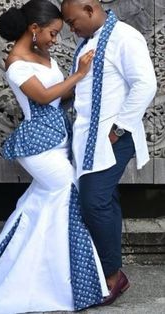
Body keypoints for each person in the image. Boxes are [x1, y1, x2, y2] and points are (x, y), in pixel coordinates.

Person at [0, 1, 109, 313]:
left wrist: (88, 86)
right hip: (37, 147)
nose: (56, 40)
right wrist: (80, 74)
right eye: (53, 33)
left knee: (40, 208)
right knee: (69, 194)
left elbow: (60, 94)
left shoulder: (43, 54)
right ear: (34, 29)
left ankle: (32, 273)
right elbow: (43, 96)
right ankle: (57, 282)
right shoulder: (16, 62)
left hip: (57, 139)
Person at [61, 0, 157, 306]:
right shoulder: (90, 41)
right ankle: (107, 270)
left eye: (73, 20)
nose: (70, 28)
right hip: (90, 138)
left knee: (94, 202)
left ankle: (113, 276)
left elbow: (145, 85)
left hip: (112, 137)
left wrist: (118, 130)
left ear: (89, 9)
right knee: (104, 200)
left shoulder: (125, 37)